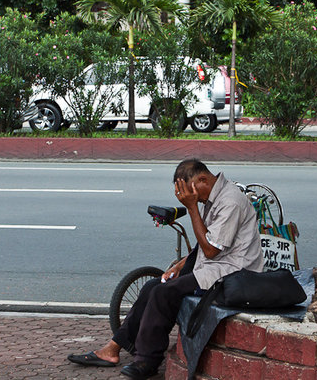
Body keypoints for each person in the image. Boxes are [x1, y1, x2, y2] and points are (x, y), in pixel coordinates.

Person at [67, 159, 264, 379]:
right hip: (214, 267)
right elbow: (207, 241)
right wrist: (180, 265)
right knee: (153, 285)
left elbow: (210, 250)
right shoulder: (213, 197)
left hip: (232, 274)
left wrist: (191, 209)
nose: (186, 195)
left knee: (164, 293)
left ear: (202, 179)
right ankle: (112, 349)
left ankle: (147, 361)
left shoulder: (230, 201)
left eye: (188, 190)